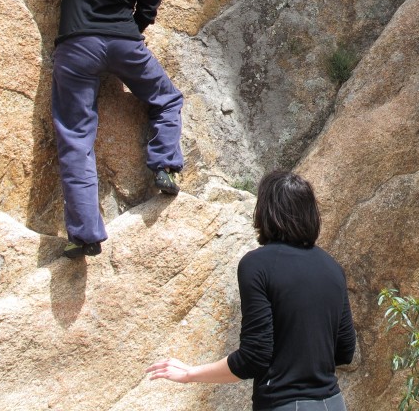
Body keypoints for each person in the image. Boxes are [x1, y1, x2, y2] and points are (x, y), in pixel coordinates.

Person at [21, 0, 184, 259]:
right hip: (125, 43)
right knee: (166, 99)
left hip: (76, 46)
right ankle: (165, 163)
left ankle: (86, 232)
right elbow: (149, 8)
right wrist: (126, 35)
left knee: (76, 134)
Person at [147, 170, 356, 411]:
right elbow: (344, 351)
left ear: (265, 212)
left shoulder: (257, 265)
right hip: (334, 403)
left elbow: (254, 357)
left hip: (284, 404)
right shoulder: (332, 268)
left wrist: (190, 374)